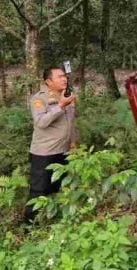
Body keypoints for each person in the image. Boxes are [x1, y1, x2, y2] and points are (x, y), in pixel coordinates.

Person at [24, 67, 78, 223]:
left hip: (63, 151)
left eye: (64, 76)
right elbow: (41, 122)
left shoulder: (66, 97)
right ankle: (30, 225)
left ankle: (51, 221)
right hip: (44, 153)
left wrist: (73, 142)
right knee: (39, 190)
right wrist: (60, 106)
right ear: (48, 81)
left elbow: (71, 123)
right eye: (59, 77)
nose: (64, 79)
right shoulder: (39, 99)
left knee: (57, 187)